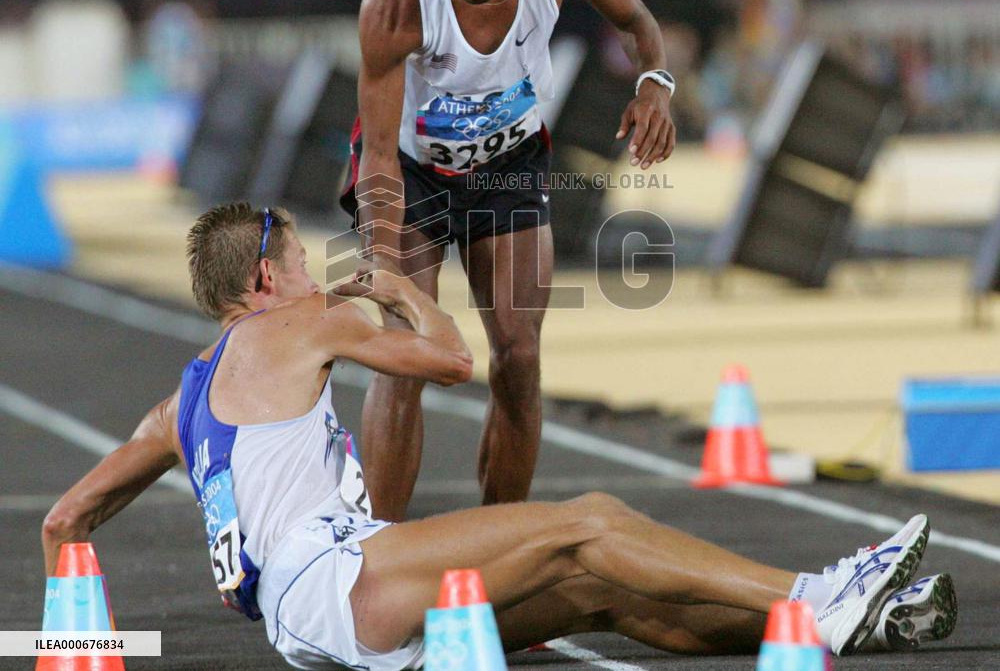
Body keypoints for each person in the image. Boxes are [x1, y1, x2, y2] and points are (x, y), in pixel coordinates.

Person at [42, 203, 957, 669]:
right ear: (263, 281)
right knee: (589, 520)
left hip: (307, 623)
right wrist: (400, 291)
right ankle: (818, 594)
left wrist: (76, 654)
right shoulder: (300, 321)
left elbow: (65, 523)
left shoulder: (177, 404)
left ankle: (837, 633)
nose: (311, 270)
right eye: (294, 257)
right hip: (342, 577)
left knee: (598, 593)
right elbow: (449, 363)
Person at [339, 0, 680, 521]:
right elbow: (376, 151)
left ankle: (501, 560)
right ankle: (374, 565)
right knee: (407, 358)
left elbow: (642, 28)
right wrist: (383, 262)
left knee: (520, 360)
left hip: (510, 165)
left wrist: (654, 85)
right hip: (411, 172)